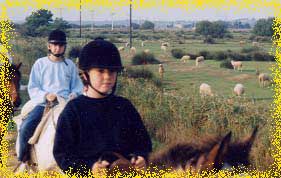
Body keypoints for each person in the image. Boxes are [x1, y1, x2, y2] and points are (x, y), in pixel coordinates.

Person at [53, 38, 152, 176]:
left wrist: (142, 158)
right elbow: (62, 155)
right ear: (85, 75)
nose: (107, 77)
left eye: (112, 72)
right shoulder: (74, 110)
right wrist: (89, 168)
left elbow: (143, 143)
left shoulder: (124, 106)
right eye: (100, 71)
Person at [18, 29, 83, 163]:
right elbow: (33, 87)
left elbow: (77, 86)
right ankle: (24, 157)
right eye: (55, 45)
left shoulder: (70, 65)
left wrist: (74, 94)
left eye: (61, 45)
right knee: (26, 127)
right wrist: (46, 95)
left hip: (65, 103)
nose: (58, 48)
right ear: (49, 46)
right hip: (45, 103)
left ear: (64, 47)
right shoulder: (40, 63)